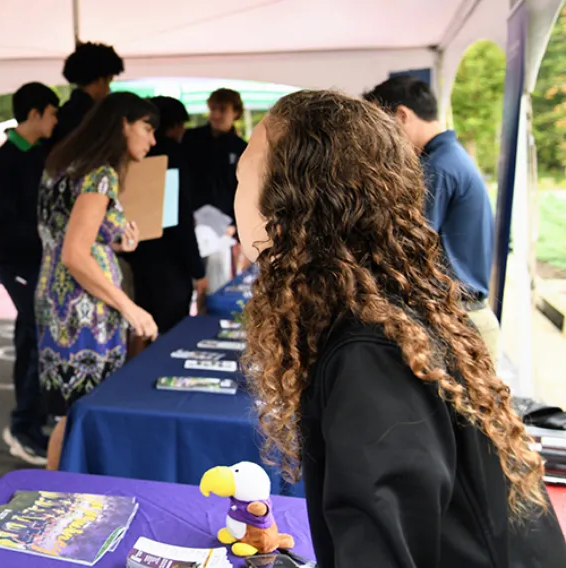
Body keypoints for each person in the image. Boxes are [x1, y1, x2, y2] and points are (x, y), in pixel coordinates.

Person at [234, 90, 566, 567]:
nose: (234, 195)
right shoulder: (388, 313)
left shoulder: (372, 356)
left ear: (289, 203)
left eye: (243, 175)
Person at [38, 91, 160, 468]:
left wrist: (113, 246)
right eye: (147, 128)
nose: (152, 140)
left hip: (56, 299)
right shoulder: (100, 175)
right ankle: (60, 495)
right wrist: (130, 307)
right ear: (123, 123)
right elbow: (75, 253)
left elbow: (68, 241)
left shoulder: (64, 164)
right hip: (84, 309)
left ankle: (59, 493)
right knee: (80, 411)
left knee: (71, 412)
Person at [365, 75, 499, 365]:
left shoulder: (437, 167)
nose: (380, 140)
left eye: (382, 127)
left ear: (401, 115)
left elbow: (404, 248)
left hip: (460, 320)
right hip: (465, 315)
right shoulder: (451, 158)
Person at [0, 81, 59, 465]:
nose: (56, 120)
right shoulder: (3, 161)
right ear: (34, 114)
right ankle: (22, 426)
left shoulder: (46, 153)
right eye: (52, 112)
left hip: (42, 262)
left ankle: (37, 417)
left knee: (35, 335)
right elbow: (3, 223)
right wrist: (46, 237)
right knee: (32, 336)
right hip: (18, 263)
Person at [123, 96, 207, 341]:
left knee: (141, 329)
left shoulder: (131, 155)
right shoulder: (172, 156)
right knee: (170, 332)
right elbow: (179, 218)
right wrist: (197, 270)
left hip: (137, 254)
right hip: (170, 263)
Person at [182, 88, 246, 220]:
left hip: (226, 224)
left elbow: (244, 189)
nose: (216, 115)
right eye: (212, 109)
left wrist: (235, 223)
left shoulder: (241, 148)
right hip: (190, 218)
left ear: (236, 112)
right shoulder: (190, 139)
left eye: (222, 110)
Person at [47, 41, 124, 148]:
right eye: (109, 81)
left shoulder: (62, 114)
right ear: (101, 80)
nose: (108, 88)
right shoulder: (98, 117)